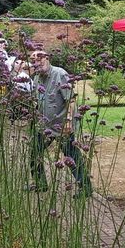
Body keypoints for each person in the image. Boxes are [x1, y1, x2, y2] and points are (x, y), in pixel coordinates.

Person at [28, 49, 91, 194]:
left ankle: (86, 188)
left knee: (71, 156)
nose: (37, 63)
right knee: (34, 153)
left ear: (47, 58)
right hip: (44, 125)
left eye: (40, 59)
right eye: (33, 61)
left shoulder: (60, 74)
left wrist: (68, 121)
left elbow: (71, 100)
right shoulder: (37, 77)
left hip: (62, 125)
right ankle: (40, 184)